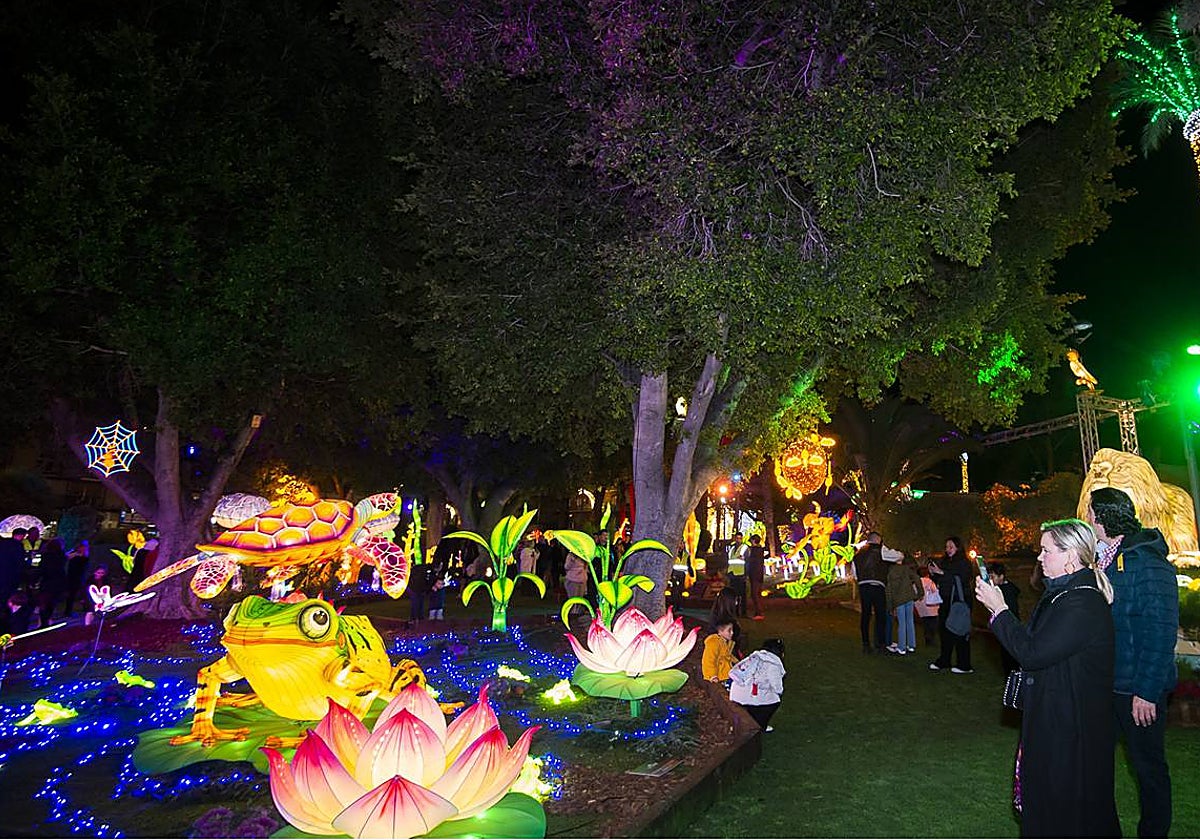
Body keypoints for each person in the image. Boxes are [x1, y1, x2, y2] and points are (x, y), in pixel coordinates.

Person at [975, 519, 1119, 838]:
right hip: (1056, 721)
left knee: (1069, 814)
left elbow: (1032, 652)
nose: (1039, 558)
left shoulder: (1082, 602)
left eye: (1046, 550)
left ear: (1070, 556)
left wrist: (1000, 611)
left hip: (1072, 732)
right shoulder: (1061, 596)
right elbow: (1031, 644)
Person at [1088, 487, 1178, 838]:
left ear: (1103, 517)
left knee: (1148, 769)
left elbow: (1160, 633)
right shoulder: (1104, 559)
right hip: (1107, 686)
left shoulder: (1149, 563)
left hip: (1137, 690)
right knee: (1096, 764)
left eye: (1091, 512)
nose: (1087, 518)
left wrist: (1147, 692)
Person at [928, 536, 973, 674]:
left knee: (960, 631)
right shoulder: (945, 561)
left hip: (959, 600)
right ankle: (944, 660)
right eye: (947, 547)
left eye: (951, 547)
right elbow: (941, 578)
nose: (948, 550)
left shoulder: (964, 562)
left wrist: (942, 573)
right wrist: (933, 573)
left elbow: (963, 578)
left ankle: (964, 664)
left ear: (958, 548)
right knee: (944, 631)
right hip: (946, 600)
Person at [729, 637, 786, 731]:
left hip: (736, 694)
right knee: (775, 700)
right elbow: (777, 687)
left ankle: (750, 717)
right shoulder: (773, 664)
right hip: (750, 695)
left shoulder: (754, 656)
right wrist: (779, 692)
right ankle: (761, 724)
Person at [851, 532, 892, 654]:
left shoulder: (858, 554)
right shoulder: (881, 550)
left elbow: (855, 574)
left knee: (866, 615)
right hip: (878, 585)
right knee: (880, 616)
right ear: (879, 540)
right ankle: (881, 644)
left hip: (864, 586)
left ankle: (866, 644)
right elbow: (898, 556)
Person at [987, 561, 1021, 676]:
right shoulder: (1002, 589)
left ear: (1001, 576)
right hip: (1005, 628)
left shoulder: (1007, 592)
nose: (991, 580)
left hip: (1010, 629)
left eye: (993, 577)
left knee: (1010, 660)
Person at [885, 554, 921, 655]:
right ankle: (911, 645)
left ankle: (902, 647)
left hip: (898, 599)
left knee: (902, 623)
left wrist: (890, 606)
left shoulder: (889, 572)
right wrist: (920, 593)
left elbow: (889, 590)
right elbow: (917, 578)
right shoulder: (906, 569)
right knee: (910, 621)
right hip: (909, 597)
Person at [62, 539, 90, 618]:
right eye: (83, 546)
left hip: (79, 578)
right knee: (71, 595)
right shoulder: (74, 555)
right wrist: (74, 553)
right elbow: (66, 556)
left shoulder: (84, 556)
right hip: (73, 578)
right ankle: (68, 612)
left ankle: (85, 608)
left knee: (80, 594)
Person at [915, 566, 941, 646]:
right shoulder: (930, 582)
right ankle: (931, 638)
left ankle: (928, 638)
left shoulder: (917, 582)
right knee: (933, 623)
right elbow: (935, 591)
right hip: (932, 607)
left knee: (926, 623)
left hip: (922, 607)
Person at [727, 532, 749, 617]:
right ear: (735, 538)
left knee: (742, 595)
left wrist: (746, 574)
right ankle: (735, 611)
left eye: (740, 538)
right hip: (732, 574)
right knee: (734, 594)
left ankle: (743, 612)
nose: (738, 540)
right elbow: (729, 560)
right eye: (737, 538)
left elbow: (748, 561)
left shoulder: (745, 548)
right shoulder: (732, 548)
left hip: (741, 574)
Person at [744, 534, 767, 620]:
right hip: (759, 574)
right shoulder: (760, 550)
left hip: (754, 574)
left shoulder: (754, 551)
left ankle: (759, 612)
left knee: (755, 594)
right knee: (757, 594)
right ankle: (758, 612)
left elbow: (752, 563)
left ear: (753, 541)